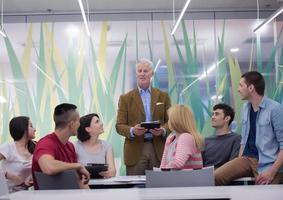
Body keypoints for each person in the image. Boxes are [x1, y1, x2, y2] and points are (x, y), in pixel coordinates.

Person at [215, 71, 283, 185]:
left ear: (251, 87)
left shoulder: (275, 109)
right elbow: (244, 139)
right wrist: (239, 160)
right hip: (247, 159)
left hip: (269, 162)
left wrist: (272, 171)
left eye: (241, 85)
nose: (238, 89)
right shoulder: (245, 108)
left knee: (265, 194)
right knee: (216, 176)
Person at [116, 58, 171, 175]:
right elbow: (119, 126)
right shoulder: (125, 98)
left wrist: (162, 130)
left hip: (158, 148)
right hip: (135, 149)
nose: (142, 74)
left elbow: (170, 122)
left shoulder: (163, 96)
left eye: (145, 71)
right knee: (135, 190)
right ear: (136, 73)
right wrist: (132, 130)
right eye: (139, 71)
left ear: (152, 73)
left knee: (158, 187)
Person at [32, 103, 90, 189]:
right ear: (72, 124)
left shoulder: (70, 146)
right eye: (78, 121)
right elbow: (49, 167)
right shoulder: (46, 143)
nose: (79, 124)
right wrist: (77, 165)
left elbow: (79, 180)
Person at [160, 104, 203, 169]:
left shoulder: (186, 137)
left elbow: (177, 163)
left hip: (187, 179)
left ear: (176, 120)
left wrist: (160, 173)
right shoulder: (170, 139)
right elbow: (162, 166)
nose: (168, 122)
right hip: (174, 178)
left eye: (169, 119)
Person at [0, 116, 36, 192]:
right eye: (31, 126)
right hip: (5, 194)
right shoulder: (8, 147)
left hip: (23, 194)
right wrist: (9, 175)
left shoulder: (35, 147)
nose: (35, 129)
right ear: (22, 128)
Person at [74, 113, 116, 178]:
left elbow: (112, 172)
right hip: (82, 185)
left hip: (102, 185)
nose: (101, 123)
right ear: (88, 129)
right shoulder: (75, 146)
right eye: (97, 122)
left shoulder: (107, 146)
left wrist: (103, 173)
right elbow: (72, 171)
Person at [202, 103, 241, 169]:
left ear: (227, 118)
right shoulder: (206, 140)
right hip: (205, 176)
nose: (213, 117)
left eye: (217, 114)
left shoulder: (236, 139)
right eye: (213, 114)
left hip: (225, 177)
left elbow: (233, 164)